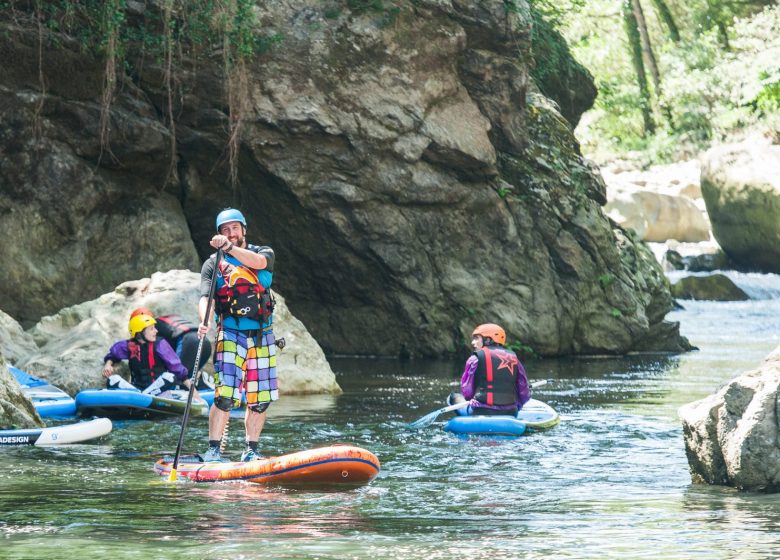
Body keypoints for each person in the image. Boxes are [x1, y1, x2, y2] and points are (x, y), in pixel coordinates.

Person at [198, 208, 277, 462]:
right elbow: (205, 298)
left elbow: (259, 265)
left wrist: (229, 249)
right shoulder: (212, 264)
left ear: (243, 229)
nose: (231, 234)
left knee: (260, 399)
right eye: (225, 230)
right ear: (220, 233)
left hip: (262, 334)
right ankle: (213, 450)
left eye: (235, 228)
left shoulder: (264, 253)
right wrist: (205, 321)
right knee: (225, 396)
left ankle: (251, 450)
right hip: (231, 333)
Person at [102, 312, 200, 398]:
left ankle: (142, 396)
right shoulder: (129, 346)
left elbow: (178, 369)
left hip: (158, 389)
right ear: (140, 333)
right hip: (136, 388)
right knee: (112, 380)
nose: (156, 331)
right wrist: (108, 364)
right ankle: (140, 395)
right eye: (151, 329)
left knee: (169, 377)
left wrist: (192, 390)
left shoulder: (160, 343)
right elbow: (113, 354)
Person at [448, 323, 530, 416]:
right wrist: (516, 407)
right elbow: (524, 393)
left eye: (476, 338)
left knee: (453, 396)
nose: (473, 342)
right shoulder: (514, 359)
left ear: (488, 340)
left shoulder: (475, 359)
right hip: (511, 412)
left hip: (481, 411)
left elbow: (467, 392)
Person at [129, 307, 214, 390]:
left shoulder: (151, 330)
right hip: (204, 342)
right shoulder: (165, 320)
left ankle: (194, 384)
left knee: (174, 380)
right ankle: (200, 381)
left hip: (188, 342)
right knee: (186, 378)